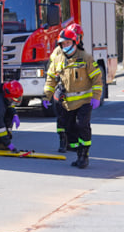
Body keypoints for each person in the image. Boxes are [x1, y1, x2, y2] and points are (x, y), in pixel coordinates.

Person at [42, 25, 102, 168]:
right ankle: (77, 152)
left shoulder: (85, 58)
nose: (65, 46)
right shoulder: (57, 60)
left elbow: (97, 79)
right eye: (62, 44)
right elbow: (50, 79)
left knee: (82, 126)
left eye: (68, 43)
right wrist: (46, 96)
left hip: (85, 101)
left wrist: (96, 96)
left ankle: (84, 155)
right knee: (69, 129)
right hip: (67, 103)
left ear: (75, 42)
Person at [49, 23, 85, 153]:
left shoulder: (79, 49)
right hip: (63, 88)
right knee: (63, 117)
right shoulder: (61, 50)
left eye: (79, 36)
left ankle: (71, 143)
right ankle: (63, 142)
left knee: (71, 119)